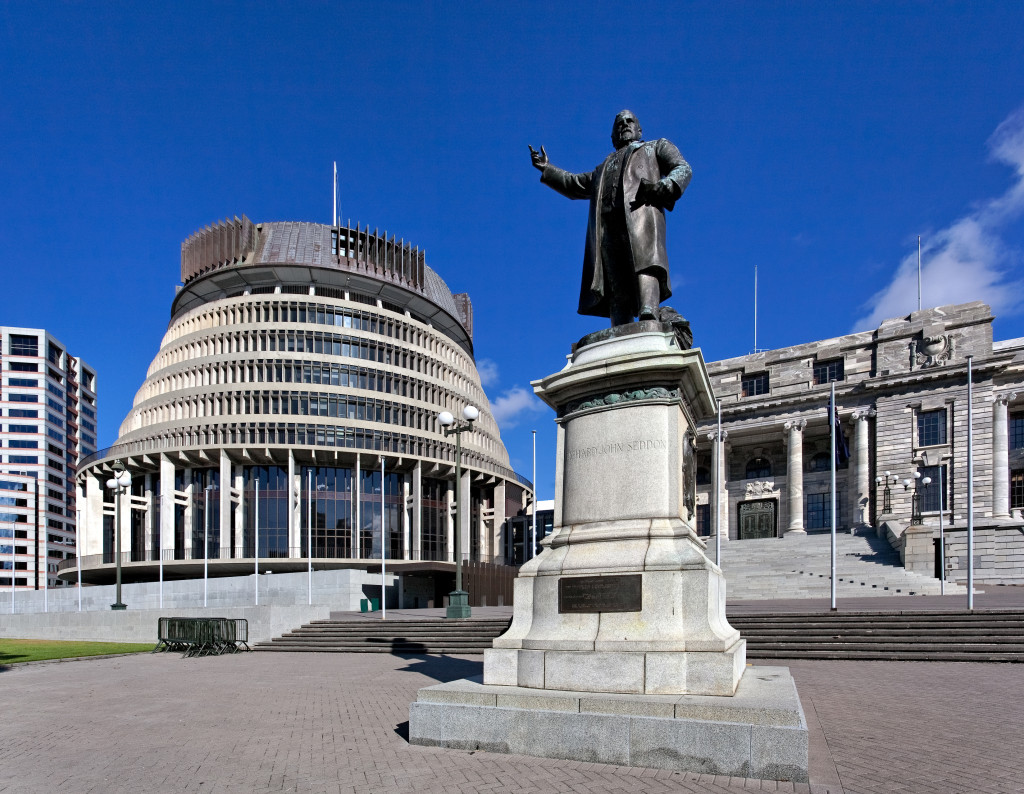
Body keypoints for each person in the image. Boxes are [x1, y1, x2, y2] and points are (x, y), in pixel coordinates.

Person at [530, 110, 691, 326]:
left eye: (629, 121)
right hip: (607, 228)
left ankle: (649, 315)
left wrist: (667, 184)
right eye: (619, 124)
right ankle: (621, 326)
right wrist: (547, 169)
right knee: (613, 278)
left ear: (639, 129)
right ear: (613, 136)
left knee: (645, 263)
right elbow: (573, 183)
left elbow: (682, 167)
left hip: (638, 217)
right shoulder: (602, 169)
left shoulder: (655, 147)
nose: (624, 125)